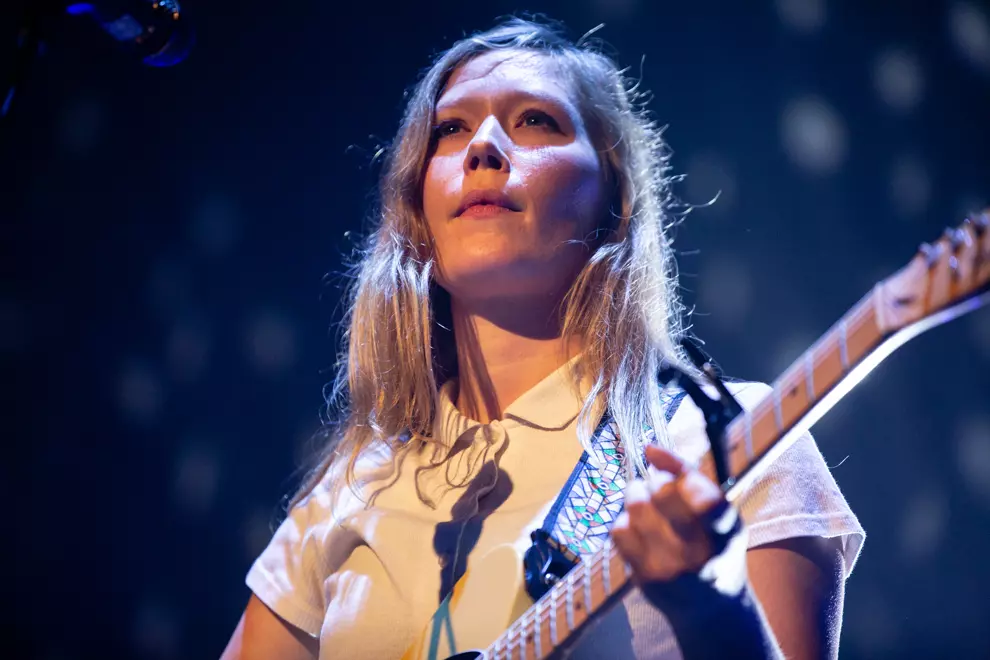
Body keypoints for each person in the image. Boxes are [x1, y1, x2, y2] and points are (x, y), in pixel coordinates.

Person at [220, 16, 864, 660]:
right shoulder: (351, 489)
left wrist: (718, 605)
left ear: (613, 201)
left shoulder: (730, 443)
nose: (483, 146)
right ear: (417, 212)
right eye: (450, 129)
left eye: (535, 121)